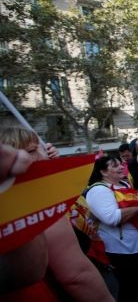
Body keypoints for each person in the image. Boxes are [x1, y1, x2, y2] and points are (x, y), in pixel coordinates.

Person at [0, 126, 113, 302]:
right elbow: (76, 276)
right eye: (32, 150)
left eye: (41, 146)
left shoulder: (41, 194)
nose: (46, 150)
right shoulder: (35, 204)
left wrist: (54, 169)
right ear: (13, 161)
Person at [85, 156, 138, 302]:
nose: (120, 167)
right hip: (119, 252)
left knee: (137, 289)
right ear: (103, 172)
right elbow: (112, 218)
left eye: (120, 164)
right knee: (127, 291)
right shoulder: (98, 190)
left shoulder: (124, 184)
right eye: (115, 165)